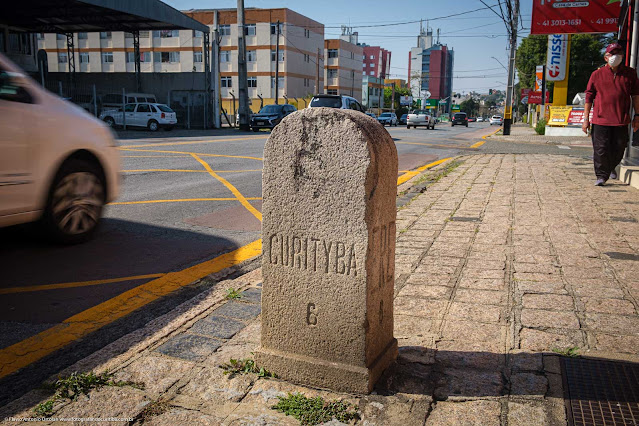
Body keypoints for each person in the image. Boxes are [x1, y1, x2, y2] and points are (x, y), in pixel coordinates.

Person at [583, 43, 639, 186]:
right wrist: (586, 119)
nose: (616, 56)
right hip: (601, 119)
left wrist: (637, 115)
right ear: (606, 57)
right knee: (600, 149)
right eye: (612, 53)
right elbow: (588, 97)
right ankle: (601, 176)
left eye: (619, 53)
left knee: (619, 147)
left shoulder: (630, 73)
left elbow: (636, 96)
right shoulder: (596, 74)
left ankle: (610, 167)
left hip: (621, 119)